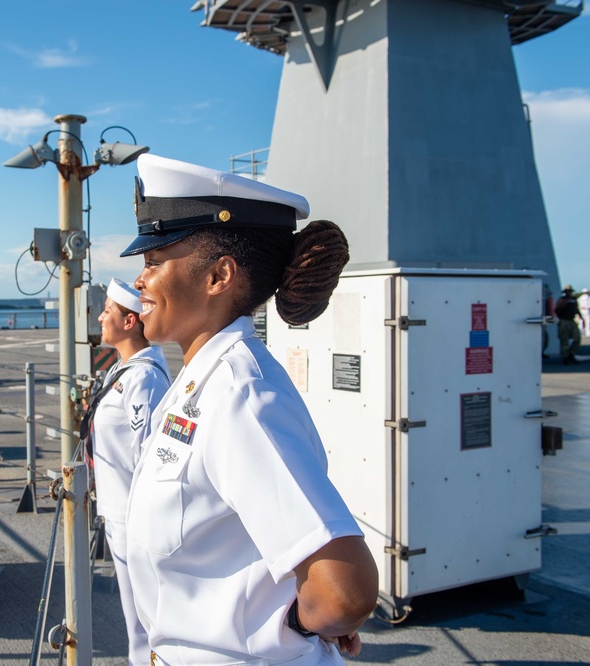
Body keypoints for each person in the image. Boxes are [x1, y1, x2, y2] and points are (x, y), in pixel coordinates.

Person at [119, 154, 378, 665]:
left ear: (219, 276)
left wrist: (295, 624)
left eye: (154, 261)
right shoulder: (201, 381)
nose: (140, 282)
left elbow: (343, 592)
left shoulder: (239, 395)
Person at [86, 278, 171, 665]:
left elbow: (148, 456)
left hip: (134, 522)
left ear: (129, 322)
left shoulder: (144, 378)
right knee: (135, 620)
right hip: (118, 514)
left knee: (146, 624)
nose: (101, 317)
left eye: (108, 311)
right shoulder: (121, 371)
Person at [555, 286, 582, 364]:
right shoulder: (562, 300)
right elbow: (557, 310)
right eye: (567, 291)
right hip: (564, 321)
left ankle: (571, 354)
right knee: (564, 340)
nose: (569, 292)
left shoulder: (573, 300)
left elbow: (576, 309)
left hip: (571, 320)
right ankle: (565, 357)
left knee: (577, 338)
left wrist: (581, 317)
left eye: (570, 291)